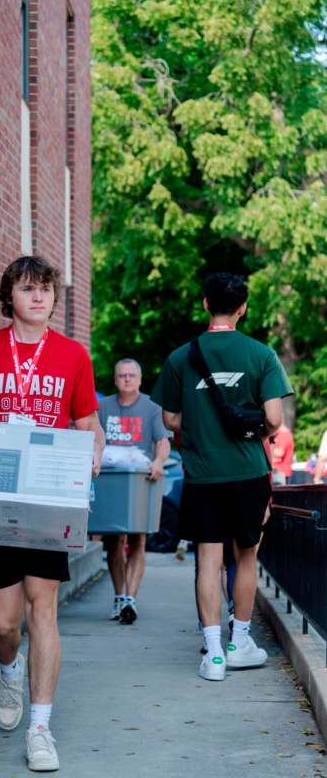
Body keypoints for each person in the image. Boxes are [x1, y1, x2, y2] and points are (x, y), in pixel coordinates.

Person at [0, 256, 104, 772]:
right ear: (10, 297)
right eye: (29, 290)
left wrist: (94, 452)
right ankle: (9, 668)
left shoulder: (73, 355)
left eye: (47, 290)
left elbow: (88, 421)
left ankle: (40, 728)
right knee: (5, 624)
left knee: (42, 609)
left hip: (49, 500)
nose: (39, 298)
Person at [152, 272, 293, 682]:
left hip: (202, 474)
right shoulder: (261, 354)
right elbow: (272, 419)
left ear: (205, 305)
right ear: (243, 308)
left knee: (207, 562)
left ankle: (213, 654)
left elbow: (169, 417)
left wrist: (200, 423)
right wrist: (252, 432)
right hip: (249, 472)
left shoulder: (182, 357)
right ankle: (239, 643)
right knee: (245, 556)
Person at [98, 359, 170, 624]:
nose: (126, 379)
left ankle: (131, 598)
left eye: (131, 375)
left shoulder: (151, 407)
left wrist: (159, 462)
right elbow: (93, 438)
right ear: (115, 380)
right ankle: (119, 595)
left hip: (141, 480)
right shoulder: (103, 406)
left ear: (139, 379)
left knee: (139, 538)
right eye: (121, 375)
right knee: (114, 539)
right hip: (112, 481)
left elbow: (162, 442)